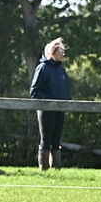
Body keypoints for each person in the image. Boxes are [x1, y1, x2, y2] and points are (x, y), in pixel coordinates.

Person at [29, 37, 71, 170]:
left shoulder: (61, 70)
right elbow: (34, 90)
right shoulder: (43, 68)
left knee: (57, 139)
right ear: (53, 53)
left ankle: (56, 168)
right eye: (60, 52)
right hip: (46, 110)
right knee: (46, 139)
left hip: (60, 109)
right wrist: (49, 101)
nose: (63, 54)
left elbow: (65, 88)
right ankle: (44, 168)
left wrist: (67, 101)